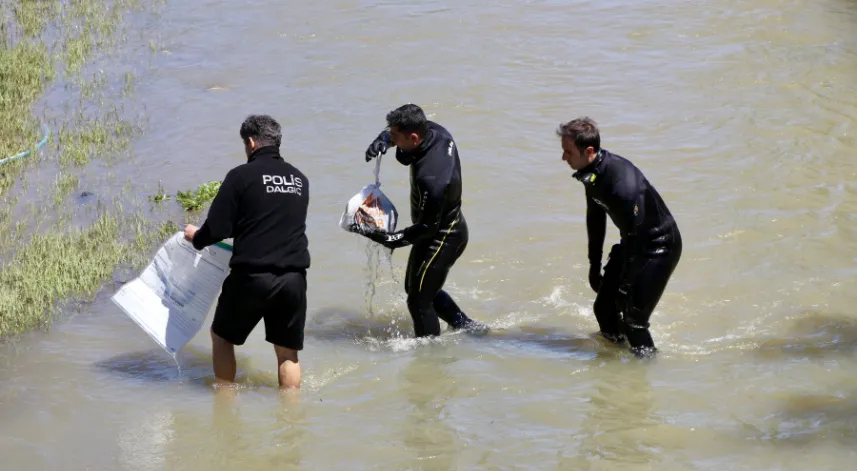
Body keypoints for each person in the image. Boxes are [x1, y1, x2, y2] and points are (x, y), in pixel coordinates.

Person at [184, 114, 310, 388]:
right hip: (294, 278)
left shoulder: (241, 176)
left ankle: (225, 405)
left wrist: (195, 237)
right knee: (287, 352)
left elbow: (216, 229)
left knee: (222, 337)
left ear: (251, 143)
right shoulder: (300, 180)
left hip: (252, 276)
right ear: (277, 141)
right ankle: (291, 420)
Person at [353, 103, 485, 338]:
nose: (391, 140)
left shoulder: (431, 179)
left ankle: (429, 356)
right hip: (441, 226)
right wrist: (384, 138)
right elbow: (407, 143)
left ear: (413, 137)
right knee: (420, 291)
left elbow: (425, 229)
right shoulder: (436, 131)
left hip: (443, 237)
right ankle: (467, 327)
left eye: (394, 137)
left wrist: (387, 238)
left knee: (418, 301)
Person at [557, 117, 682, 358]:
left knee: (634, 320)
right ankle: (616, 365)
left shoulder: (621, 185)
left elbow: (637, 237)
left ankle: (645, 373)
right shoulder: (589, 171)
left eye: (568, 151)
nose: (564, 158)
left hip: (659, 247)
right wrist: (594, 265)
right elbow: (595, 218)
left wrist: (625, 286)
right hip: (633, 242)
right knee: (603, 308)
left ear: (589, 151)